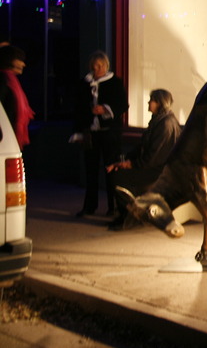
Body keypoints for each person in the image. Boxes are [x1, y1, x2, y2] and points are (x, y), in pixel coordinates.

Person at [105, 89, 181, 230]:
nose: (148, 102)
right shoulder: (158, 120)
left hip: (159, 171)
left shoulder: (166, 124)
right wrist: (124, 161)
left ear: (160, 103)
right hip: (152, 166)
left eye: (152, 100)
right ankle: (127, 213)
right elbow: (142, 147)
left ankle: (130, 216)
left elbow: (153, 157)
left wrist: (130, 165)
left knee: (118, 177)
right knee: (116, 172)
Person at [73, 51, 128, 217]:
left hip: (110, 133)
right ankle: (89, 206)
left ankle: (113, 207)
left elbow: (123, 105)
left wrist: (105, 109)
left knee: (111, 169)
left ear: (106, 66)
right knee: (91, 170)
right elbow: (78, 107)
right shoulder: (84, 84)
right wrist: (80, 130)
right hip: (91, 133)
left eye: (100, 66)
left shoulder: (115, 82)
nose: (97, 69)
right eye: (95, 66)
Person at [0, 45, 34, 149]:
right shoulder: (4, 81)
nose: (23, 64)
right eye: (19, 60)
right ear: (8, 60)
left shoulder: (11, 81)